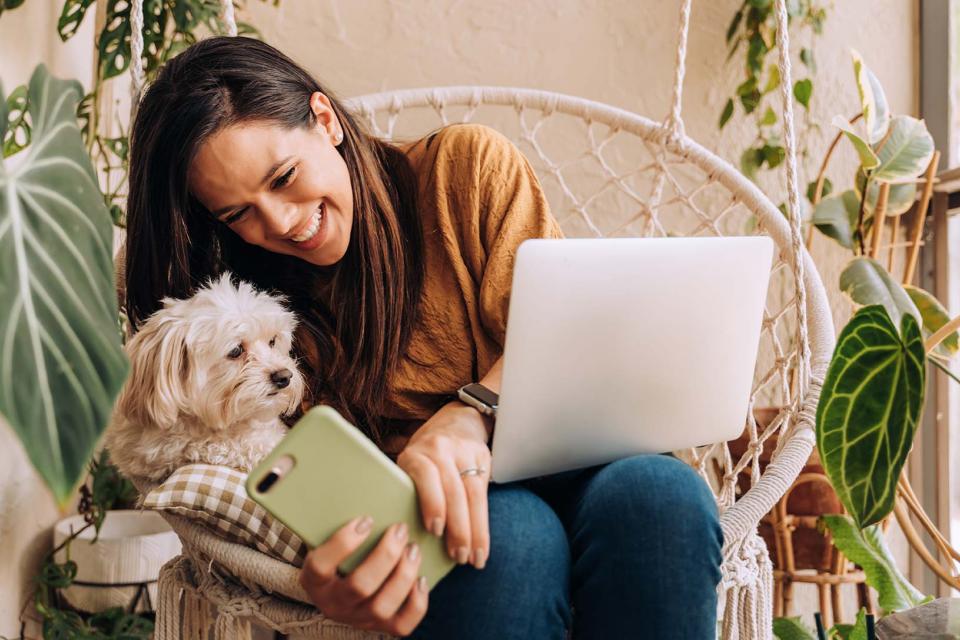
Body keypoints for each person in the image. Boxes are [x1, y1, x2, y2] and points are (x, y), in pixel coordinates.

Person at [123, 36, 723, 639]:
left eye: (283, 177)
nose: (278, 222)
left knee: (660, 496)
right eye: (237, 214)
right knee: (504, 539)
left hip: (580, 453)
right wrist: (312, 572)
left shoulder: (463, 171)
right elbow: (293, 473)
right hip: (441, 510)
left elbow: (571, 337)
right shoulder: (247, 312)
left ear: (325, 119)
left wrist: (472, 414)